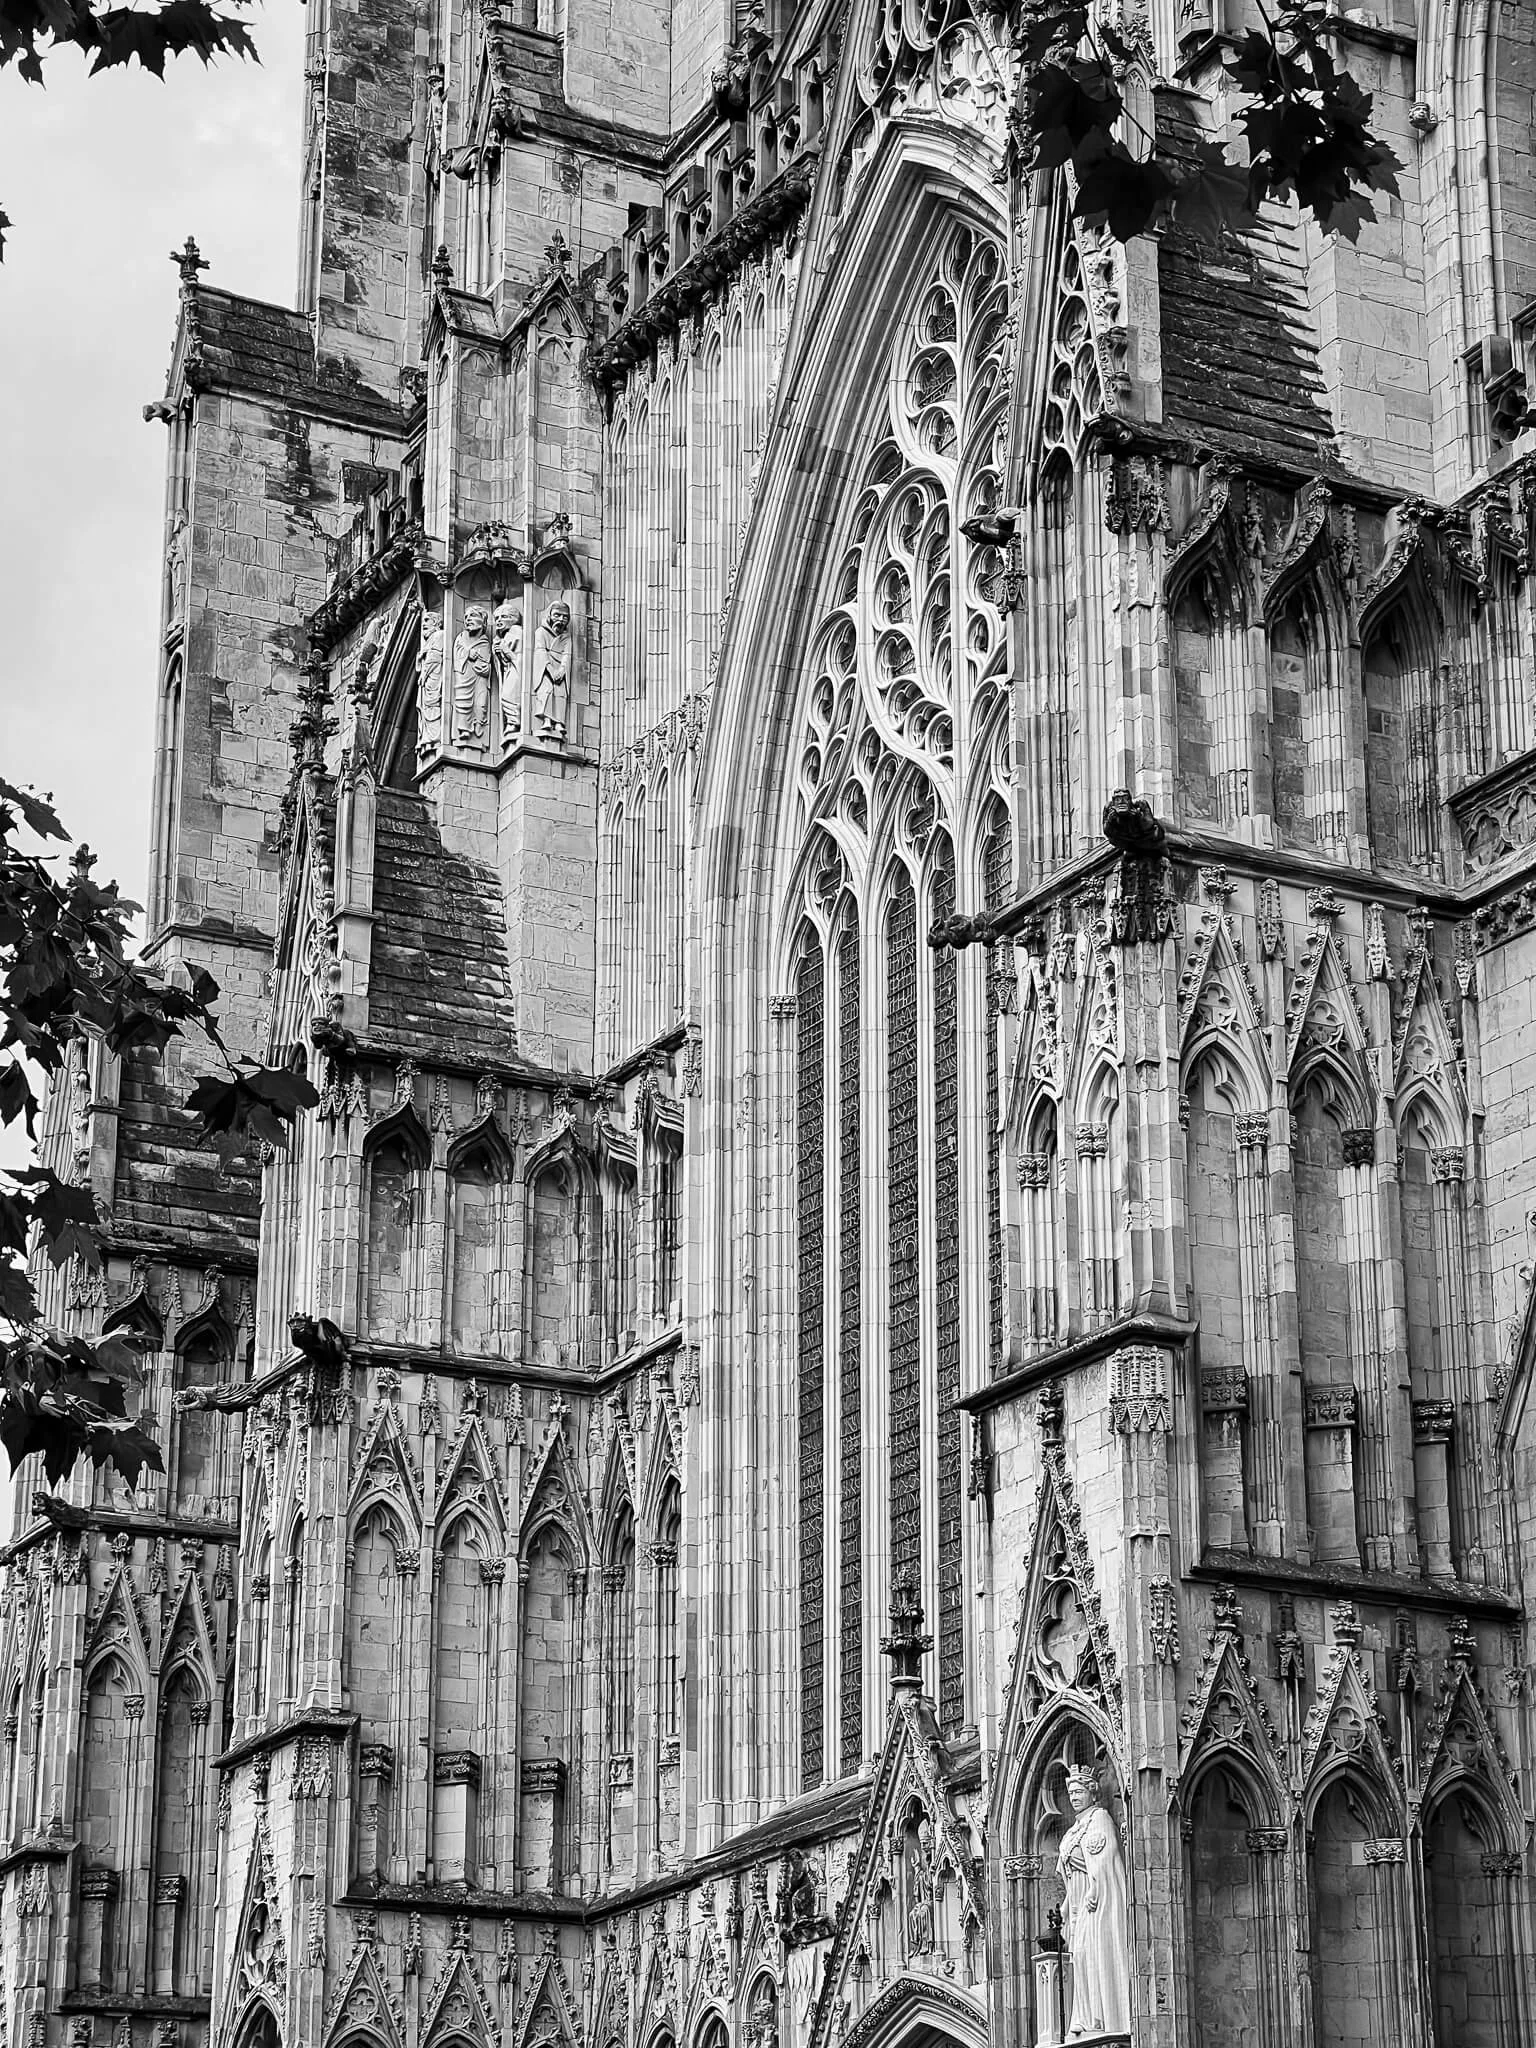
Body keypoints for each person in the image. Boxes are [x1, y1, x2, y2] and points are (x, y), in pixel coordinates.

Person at [1056, 1764, 1130, 2038]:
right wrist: (1065, 1906)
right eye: (1071, 1792)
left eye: (1079, 1792)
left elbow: (1107, 1855)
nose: (1074, 1797)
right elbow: (1069, 1870)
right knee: (1081, 1958)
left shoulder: (1099, 1818)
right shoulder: (1075, 1828)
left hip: (1096, 1903)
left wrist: (1095, 1888)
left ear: (1092, 1793)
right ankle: (1085, 2016)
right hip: (1078, 1904)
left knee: (1094, 1952)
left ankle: (1101, 2015)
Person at [452, 604, 493, 745]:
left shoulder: (485, 642)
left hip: (480, 678)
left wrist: (487, 669)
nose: (468, 619)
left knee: (481, 703)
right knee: (463, 700)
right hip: (464, 676)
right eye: (466, 617)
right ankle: (464, 728)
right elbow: (457, 653)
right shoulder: (460, 638)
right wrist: (468, 653)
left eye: (473, 616)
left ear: (483, 621)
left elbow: (487, 661)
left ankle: (479, 723)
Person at [533, 599, 573, 741]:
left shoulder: (566, 637)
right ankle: (547, 720)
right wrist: (550, 670)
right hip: (546, 668)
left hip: (559, 668)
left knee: (561, 694)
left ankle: (559, 723)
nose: (561, 620)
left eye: (565, 617)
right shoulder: (541, 632)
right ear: (549, 615)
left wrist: (562, 670)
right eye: (557, 615)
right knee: (546, 691)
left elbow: (567, 655)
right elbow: (540, 651)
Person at [494, 599, 524, 740]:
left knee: (509, 696)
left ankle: (514, 722)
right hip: (509, 670)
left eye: (504, 617)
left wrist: (504, 649)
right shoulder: (504, 636)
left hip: (517, 669)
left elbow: (519, 657)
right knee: (506, 695)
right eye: (497, 618)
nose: (499, 620)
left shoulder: (516, 631)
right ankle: (512, 723)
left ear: (513, 619)